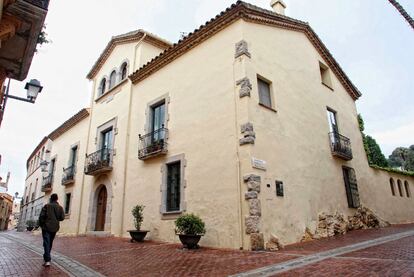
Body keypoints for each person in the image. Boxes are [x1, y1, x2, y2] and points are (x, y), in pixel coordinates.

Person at [38, 193, 65, 267]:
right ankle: (46, 257)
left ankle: (47, 260)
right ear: (57, 199)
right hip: (55, 227)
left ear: (51, 198)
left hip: (46, 227)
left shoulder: (47, 206)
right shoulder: (60, 208)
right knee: (49, 243)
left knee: (46, 243)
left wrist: (41, 224)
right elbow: (62, 218)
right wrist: (56, 219)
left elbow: (41, 217)